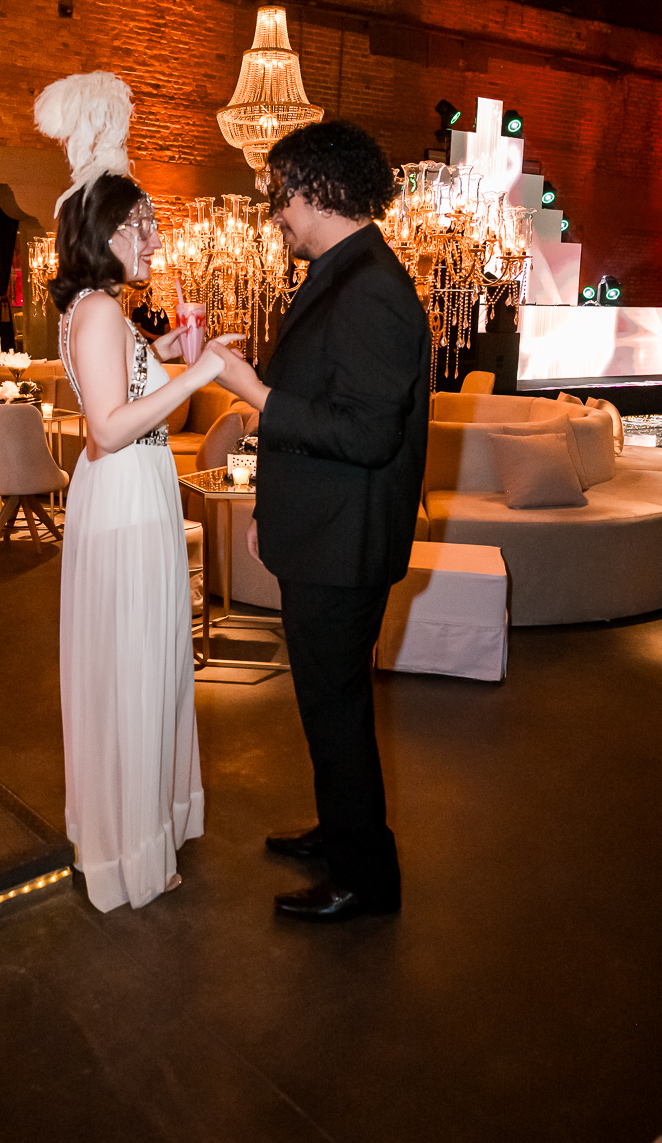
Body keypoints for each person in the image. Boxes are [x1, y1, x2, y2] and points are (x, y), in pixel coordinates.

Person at [212, 120, 431, 923]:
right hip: (322, 531)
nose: (277, 214)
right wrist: (272, 508)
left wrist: (253, 391)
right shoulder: (342, 271)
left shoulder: (369, 286)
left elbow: (367, 435)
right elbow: (322, 405)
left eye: (282, 196)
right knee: (325, 704)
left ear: (317, 190)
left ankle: (364, 880)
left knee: (336, 709)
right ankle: (340, 831)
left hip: (345, 544)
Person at [36, 71, 235, 912]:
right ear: (102, 231)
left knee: (148, 664)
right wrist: (199, 372)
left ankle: (150, 824)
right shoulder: (94, 312)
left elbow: (129, 398)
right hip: (123, 499)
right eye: (139, 224)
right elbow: (111, 428)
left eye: (150, 223)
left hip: (135, 497)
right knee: (132, 669)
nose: (153, 237)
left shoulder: (107, 311)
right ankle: (129, 848)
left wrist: (173, 352)